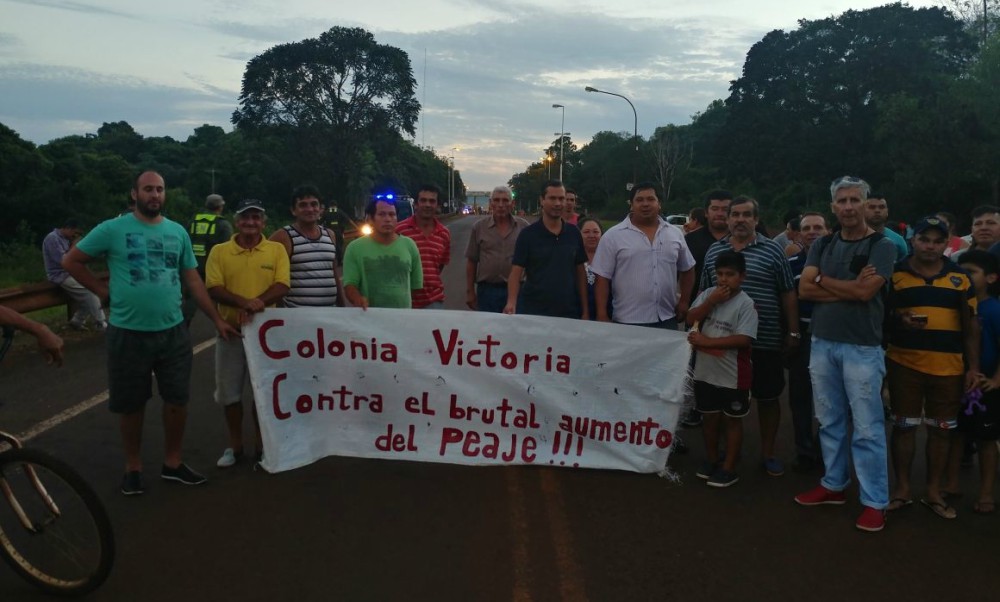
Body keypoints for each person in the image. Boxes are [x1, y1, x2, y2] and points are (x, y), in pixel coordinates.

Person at [61, 170, 239, 496]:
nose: (154, 195)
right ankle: (133, 467)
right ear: (134, 194)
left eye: (159, 189)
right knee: (131, 404)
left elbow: (193, 280)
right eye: (147, 189)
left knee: (177, 400)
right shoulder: (112, 229)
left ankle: (172, 463)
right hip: (127, 332)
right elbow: (71, 260)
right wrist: (101, 292)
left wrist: (215, 319)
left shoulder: (177, 232)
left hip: (172, 331)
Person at [794, 175, 897, 533]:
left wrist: (826, 282)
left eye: (856, 200)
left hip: (862, 347)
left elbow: (866, 294)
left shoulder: (882, 246)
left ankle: (874, 502)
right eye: (843, 201)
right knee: (829, 419)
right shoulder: (823, 244)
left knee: (867, 428)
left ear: (866, 205)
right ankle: (833, 484)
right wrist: (847, 287)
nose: (849, 207)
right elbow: (806, 289)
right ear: (833, 206)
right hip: (822, 341)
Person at [884, 216, 978, 518]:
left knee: (941, 430)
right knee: (903, 426)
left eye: (938, 241)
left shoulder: (960, 277)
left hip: (949, 367)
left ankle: (934, 491)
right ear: (913, 240)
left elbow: (971, 326)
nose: (931, 246)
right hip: (904, 363)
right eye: (925, 239)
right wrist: (899, 320)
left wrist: (972, 367)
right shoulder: (894, 274)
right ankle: (902, 489)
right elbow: (880, 318)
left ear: (946, 242)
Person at [701, 195, 799, 476]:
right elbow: (704, 294)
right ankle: (722, 452)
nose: (740, 219)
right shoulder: (713, 252)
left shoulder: (772, 251)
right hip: (722, 343)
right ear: (727, 218)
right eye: (735, 214)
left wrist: (793, 331)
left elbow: (787, 293)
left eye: (747, 215)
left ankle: (767, 453)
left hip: (764, 339)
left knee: (767, 398)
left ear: (756, 219)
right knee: (721, 401)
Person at [207, 199, 290, 469]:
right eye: (245, 218)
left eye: (256, 218)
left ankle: (261, 445)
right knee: (229, 394)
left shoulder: (275, 250)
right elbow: (214, 288)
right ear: (236, 221)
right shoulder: (220, 251)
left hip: (267, 336)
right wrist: (246, 303)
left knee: (263, 392)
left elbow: (282, 285)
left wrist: (258, 303)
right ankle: (235, 446)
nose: (250, 223)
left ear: (264, 223)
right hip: (231, 332)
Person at [687, 251, 758, 488]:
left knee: (732, 421)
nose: (724, 279)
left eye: (730, 274)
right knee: (709, 419)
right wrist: (711, 301)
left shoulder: (745, 303)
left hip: (733, 375)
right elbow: (690, 318)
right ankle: (712, 459)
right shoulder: (708, 294)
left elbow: (743, 340)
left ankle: (729, 468)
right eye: (720, 274)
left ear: (742, 277)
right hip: (706, 372)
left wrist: (706, 343)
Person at [591, 182, 695, 329]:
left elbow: (688, 268)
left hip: (666, 318)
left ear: (659, 204)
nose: (645, 204)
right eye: (639, 200)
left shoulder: (675, 234)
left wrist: (684, 301)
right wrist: (601, 314)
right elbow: (602, 278)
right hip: (627, 321)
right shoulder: (613, 236)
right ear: (631, 205)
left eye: (651, 199)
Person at [944, 250, 1000, 514]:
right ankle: (951, 484)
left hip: (985, 385)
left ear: (991, 277)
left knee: (986, 441)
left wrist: (996, 380)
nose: (965, 275)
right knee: (956, 435)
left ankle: (987, 492)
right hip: (957, 381)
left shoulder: (995, 309)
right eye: (961, 270)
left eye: (972, 271)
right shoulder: (958, 306)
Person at [504, 180, 588, 319]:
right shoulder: (528, 235)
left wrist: (585, 311)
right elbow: (516, 273)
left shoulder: (574, 233)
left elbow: (580, 273)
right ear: (542, 200)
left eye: (561, 198)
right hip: (534, 311)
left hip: (569, 311)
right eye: (552, 198)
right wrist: (511, 302)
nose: (557, 203)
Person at [786, 212, 829, 473]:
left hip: (834, 335)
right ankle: (804, 451)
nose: (812, 232)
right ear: (799, 234)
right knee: (800, 397)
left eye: (818, 227)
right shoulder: (791, 263)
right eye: (807, 228)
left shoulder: (839, 263)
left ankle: (824, 448)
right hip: (802, 334)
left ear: (827, 231)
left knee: (832, 400)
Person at [269, 185, 345, 308]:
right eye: (303, 205)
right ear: (293, 210)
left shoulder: (330, 235)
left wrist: (343, 308)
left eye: (314, 204)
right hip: (298, 317)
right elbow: (271, 278)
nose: (310, 209)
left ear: (321, 209)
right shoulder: (283, 237)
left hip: (330, 316)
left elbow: (333, 274)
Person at [343, 198, 423, 309]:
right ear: (370, 219)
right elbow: (350, 285)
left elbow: (415, 287)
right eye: (382, 214)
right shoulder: (354, 248)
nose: (388, 219)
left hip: (402, 319)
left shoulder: (410, 246)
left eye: (392, 215)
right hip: (369, 318)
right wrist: (358, 299)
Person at [465, 186, 530, 312]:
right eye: (496, 200)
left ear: (513, 204)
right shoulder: (479, 228)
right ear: (490, 203)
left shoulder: (524, 228)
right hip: (487, 292)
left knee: (515, 329)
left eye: (505, 200)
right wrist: (470, 291)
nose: (501, 205)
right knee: (488, 330)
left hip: (518, 291)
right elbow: (472, 261)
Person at [42, 218, 107, 331]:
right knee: (90, 293)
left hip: (72, 272)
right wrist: (74, 246)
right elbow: (63, 261)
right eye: (75, 232)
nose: (75, 235)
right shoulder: (52, 238)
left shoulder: (66, 239)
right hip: (60, 275)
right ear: (68, 228)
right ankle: (100, 322)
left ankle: (77, 321)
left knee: (88, 293)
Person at [395, 184, 450, 309]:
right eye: (423, 200)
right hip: (403, 299)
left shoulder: (444, 233)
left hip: (433, 300)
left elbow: (439, 266)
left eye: (432, 201)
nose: (427, 205)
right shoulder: (400, 230)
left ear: (437, 206)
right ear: (416, 204)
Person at [184, 193, 232, 324]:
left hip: (192, 267)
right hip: (212, 268)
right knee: (220, 300)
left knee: (190, 300)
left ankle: (183, 326)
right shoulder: (223, 224)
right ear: (220, 207)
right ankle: (223, 325)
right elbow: (228, 249)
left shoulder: (193, 221)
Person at [579, 217, 611, 321]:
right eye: (586, 232)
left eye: (596, 232)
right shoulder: (572, 260)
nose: (591, 236)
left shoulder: (610, 258)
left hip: (607, 315)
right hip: (578, 315)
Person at [864, 195, 908, 260]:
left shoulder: (898, 240)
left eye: (882, 207)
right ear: (862, 211)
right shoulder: (853, 237)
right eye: (872, 207)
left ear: (887, 212)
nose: (877, 210)